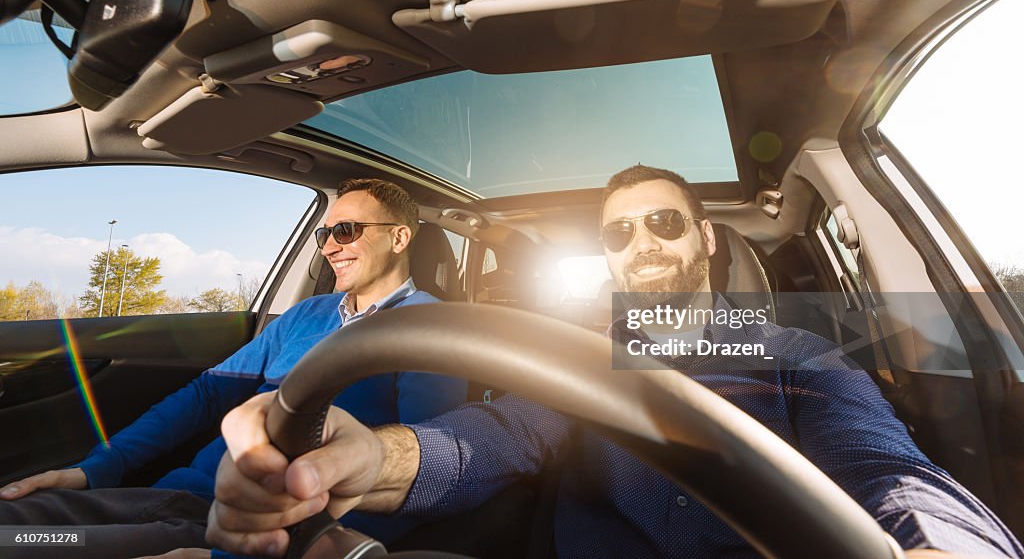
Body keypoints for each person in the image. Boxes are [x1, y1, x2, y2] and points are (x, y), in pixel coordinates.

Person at [208, 165, 1024, 559]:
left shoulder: (798, 357)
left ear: (707, 238)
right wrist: (369, 455)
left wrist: (936, 547)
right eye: (619, 231)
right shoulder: (581, 367)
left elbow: (886, 468)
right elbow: (491, 435)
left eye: (665, 221)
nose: (643, 243)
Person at [0, 178, 467, 558]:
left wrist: (246, 554)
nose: (328, 247)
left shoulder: (427, 329)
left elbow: (414, 473)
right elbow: (208, 393)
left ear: (399, 236)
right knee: (14, 525)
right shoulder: (307, 315)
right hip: (175, 495)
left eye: (345, 231)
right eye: (325, 235)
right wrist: (96, 468)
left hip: (248, 533)